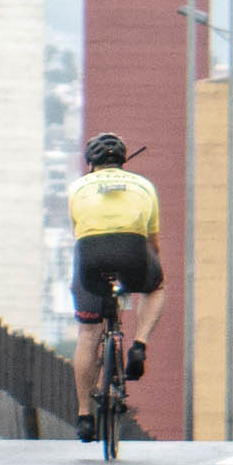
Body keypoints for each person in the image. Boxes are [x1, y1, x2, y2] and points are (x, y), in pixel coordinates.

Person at [66, 132, 165, 442]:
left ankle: (84, 415)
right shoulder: (144, 186)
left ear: (91, 164)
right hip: (132, 252)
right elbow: (152, 243)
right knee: (155, 287)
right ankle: (139, 344)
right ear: (123, 161)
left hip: (90, 256)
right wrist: (149, 271)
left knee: (88, 334)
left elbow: (78, 233)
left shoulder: (78, 188)